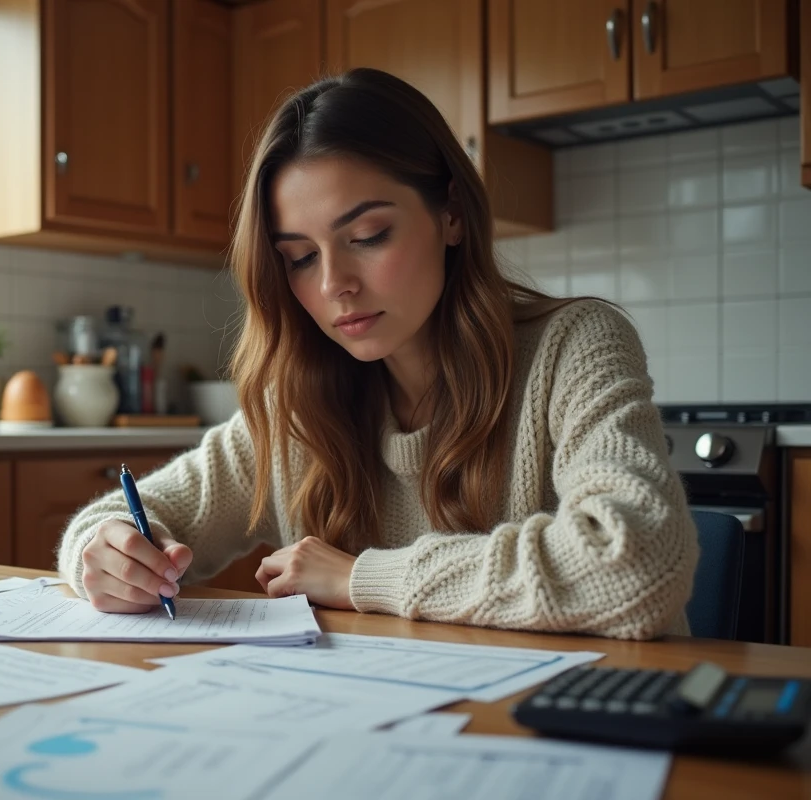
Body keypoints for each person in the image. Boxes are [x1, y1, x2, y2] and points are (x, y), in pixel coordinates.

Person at [57, 68, 698, 640]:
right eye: (300, 258)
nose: (334, 283)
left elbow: (633, 560)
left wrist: (363, 578)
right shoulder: (299, 401)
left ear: (450, 214)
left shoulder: (574, 347)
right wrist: (106, 552)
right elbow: (127, 513)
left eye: (368, 235)